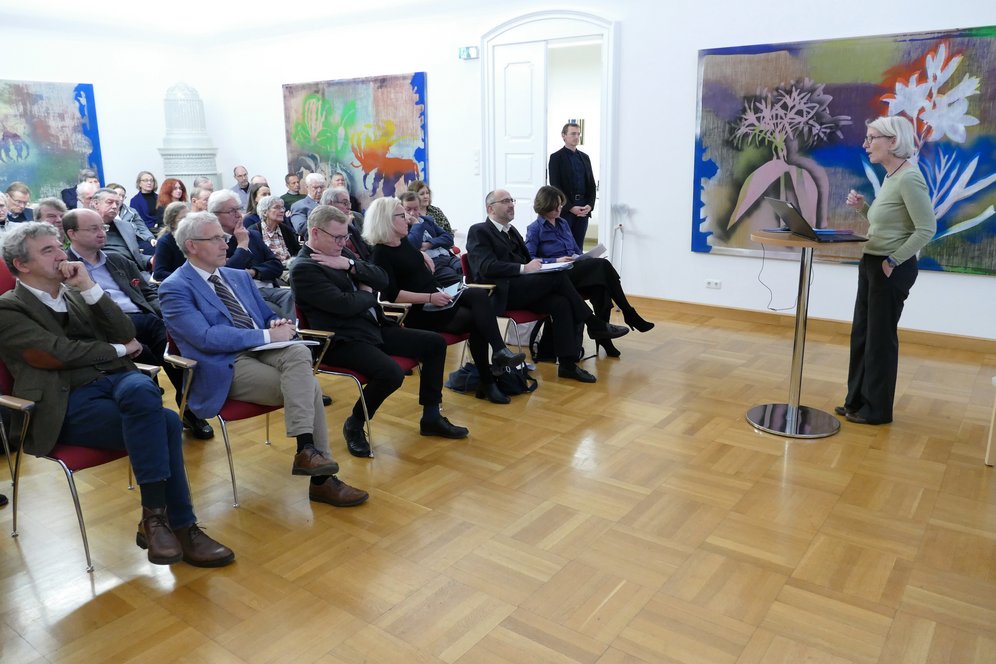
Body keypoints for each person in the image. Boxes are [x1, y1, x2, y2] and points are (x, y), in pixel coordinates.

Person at [0, 222, 234, 567]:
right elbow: (55, 353)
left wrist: (90, 288)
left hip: (118, 385)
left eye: (59, 246)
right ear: (22, 264)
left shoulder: (78, 293)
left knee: (141, 388)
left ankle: (154, 521)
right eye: (47, 250)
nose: (61, 255)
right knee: (166, 422)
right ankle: (181, 526)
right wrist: (119, 350)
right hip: (65, 403)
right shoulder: (9, 308)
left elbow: (127, 330)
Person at [159, 211, 367, 508]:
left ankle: (307, 452)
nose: (226, 243)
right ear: (192, 245)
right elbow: (206, 338)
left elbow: (266, 316)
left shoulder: (238, 276)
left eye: (223, 236)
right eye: (216, 238)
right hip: (224, 365)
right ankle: (318, 475)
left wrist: (277, 325)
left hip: (266, 351)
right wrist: (267, 337)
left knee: (297, 350)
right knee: (311, 388)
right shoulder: (174, 287)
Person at [290, 204, 469, 458]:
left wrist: (351, 267)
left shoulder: (342, 256)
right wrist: (366, 291)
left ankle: (431, 416)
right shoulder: (304, 268)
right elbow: (345, 305)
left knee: (434, 344)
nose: (343, 242)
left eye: (345, 237)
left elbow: (382, 279)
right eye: (337, 237)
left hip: (373, 328)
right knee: (392, 373)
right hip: (341, 340)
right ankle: (354, 423)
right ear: (316, 233)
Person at [63, 208, 213, 439]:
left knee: (179, 348)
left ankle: (189, 409)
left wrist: (165, 314)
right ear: (72, 233)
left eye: (102, 227)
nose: (102, 233)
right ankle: (158, 414)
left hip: (145, 318)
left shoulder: (117, 259)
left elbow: (148, 293)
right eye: (93, 229)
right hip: (107, 328)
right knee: (152, 354)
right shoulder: (65, 268)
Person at [366, 197, 526, 405]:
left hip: (438, 298)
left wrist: (422, 256)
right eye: (401, 215)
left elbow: (410, 258)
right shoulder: (380, 253)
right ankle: (489, 378)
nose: (408, 219)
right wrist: (431, 297)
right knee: (478, 320)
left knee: (478, 296)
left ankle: (497, 354)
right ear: (386, 220)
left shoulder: (402, 241)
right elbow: (392, 295)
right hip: (421, 310)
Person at [466, 189, 629, 383]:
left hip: (524, 287)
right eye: (505, 201)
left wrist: (542, 265)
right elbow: (485, 267)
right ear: (490, 208)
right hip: (503, 292)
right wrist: (523, 268)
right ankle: (593, 323)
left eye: (512, 200)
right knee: (558, 278)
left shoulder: (512, 230)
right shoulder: (479, 230)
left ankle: (568, 364)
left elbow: (531, 259)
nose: (511, 204)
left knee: (561, 303)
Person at [840, 116, 936, 425]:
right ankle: (855, 401)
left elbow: (926, 229)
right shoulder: (890, 177)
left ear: (893, 141)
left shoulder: (909, 178)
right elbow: (888, 225)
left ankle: (877, 410)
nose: (866, 144)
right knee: (862, 334)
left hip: (890, 267)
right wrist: (863, 209)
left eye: (872, 138)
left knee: (880, 340)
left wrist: (893, 261)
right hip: (872, 262)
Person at [525, 185, 653, 357]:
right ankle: (629, 313)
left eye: (560, 205)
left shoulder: (563, 223)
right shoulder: (535, 229)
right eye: (555, 205)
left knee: (600, 287)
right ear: (545, 205)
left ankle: (604, 338)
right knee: (602, 266)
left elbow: (574, 248)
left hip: (573, 268)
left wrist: (580, 256)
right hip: (558, 275)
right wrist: (556, 260)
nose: (559, 208)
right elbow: (530, 259)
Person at [208, 190, 295, 320]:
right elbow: (227, 273)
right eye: (232, 211)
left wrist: (254, 272)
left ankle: (296, 337)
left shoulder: (252, 234)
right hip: (243, 294)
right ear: (215, 215)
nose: (239, 215)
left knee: (296, 297)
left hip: (270, 288)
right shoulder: (214, 241)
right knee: (274, 312)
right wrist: (242, 243)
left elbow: (276, 266)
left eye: (239, 209)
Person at [548, 122, 597, 249]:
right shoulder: (556, 158)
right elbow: (555, 186)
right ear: (563, 136)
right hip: (566, 209)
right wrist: (570, 207)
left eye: (578, 134)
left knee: (579, 246)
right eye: (573, 134)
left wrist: (590, 206)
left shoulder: (585, 157)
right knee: (565, 246)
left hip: (584, 208)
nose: (576, 137)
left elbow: (591, 184)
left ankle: (579, 269)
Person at [399, 191, 462, 286]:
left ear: (420, 207)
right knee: (456, 279)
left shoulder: (427, 220)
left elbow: (448, 238)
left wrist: (430, 243)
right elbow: (413, 245)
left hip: (448, 257)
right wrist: (416, 223)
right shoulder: (402, 227)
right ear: (401, 209)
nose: (412, 213)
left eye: (416, 209)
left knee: (468, 271)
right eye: (408, 209)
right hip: (432, 262)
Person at [90, 188, 152, 278]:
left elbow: (136, 256)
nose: (115, 206)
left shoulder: (126, 226)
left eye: (117, 203)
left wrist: (150, 260)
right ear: (96, 204)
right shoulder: (86, 228)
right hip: (110, 274)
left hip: (137, 273)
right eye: (109, 202)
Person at [245, 195, 300, 266]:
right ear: (265, 212)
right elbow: (254, 260)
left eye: (282, 207)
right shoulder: (253, 231)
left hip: (290, 269)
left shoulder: (286, 230)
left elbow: (297, 251)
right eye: (277, 207)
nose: (282, 210)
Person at [109, 182, 156, 256]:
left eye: (123, 196)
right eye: (118, 195)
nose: (121, 198)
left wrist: (151, 238)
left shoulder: (131, 211)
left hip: (136, 239)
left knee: (154, 250)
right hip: (119, 243)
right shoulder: (105, 212)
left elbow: (142, 227)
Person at [152, 201, 190, 282]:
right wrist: (186, 277)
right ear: (172, 223)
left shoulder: (194, 237)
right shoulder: (165, 242)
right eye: (183, 219)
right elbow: (159, 273)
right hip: (179, 284)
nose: (188, 221)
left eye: (189, 217)